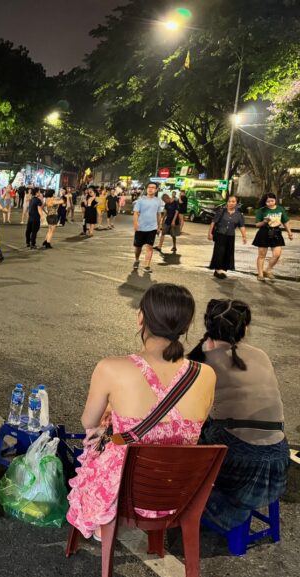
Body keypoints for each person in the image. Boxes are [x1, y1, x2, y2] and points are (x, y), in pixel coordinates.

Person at [67, 283, 216, 539]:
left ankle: (104, 522)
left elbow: (88, 422)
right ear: (186, 325)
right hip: (177, 490)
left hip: (125, 493)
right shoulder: (206, 374)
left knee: (94, 446)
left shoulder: (111, 368)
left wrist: (114, 414)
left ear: (141, 319)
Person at [187, 299, 289, 531]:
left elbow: (192, 413)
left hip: (239, 466)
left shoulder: (204, 361)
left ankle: (200, 503)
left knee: (195, 434)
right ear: (245, 328)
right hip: (278, 463)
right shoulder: (260, 354)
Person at [252, 192, 294, 281]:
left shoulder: (280, 209)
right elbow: (257, 225)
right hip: (264, 232)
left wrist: (289, 232)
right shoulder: (261, 210)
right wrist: (264, 222)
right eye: (268, 201)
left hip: (276, 232)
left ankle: (268, 270)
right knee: (262, 255)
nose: (270, 203)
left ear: (275, 200)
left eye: (272, 201)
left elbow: (285, 221)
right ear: (265, 202)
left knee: (277, 254)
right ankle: (260, 274)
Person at [208, 196, 247, 279]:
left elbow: (242, 226)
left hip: (230, 236)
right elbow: (213, 222)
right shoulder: (221, 212)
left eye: (233, 201)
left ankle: (219, 270)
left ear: (237, 203)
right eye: (229, 201)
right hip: (220, 235)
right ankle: (218, 270)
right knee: (219, 252)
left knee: (227, 253)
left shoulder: (239, 215)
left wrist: (244, 236)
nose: (231, 203)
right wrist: (210, 233)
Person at [132, 182, 163, 273]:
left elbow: (158, 214)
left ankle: (147, 265)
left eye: (153, 187)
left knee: (150, 247)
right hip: (140, 228)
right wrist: (135, 224)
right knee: (138, 247)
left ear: (156, 190)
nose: (150, 189)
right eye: (149, 187)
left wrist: (158, 226)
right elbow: (136, 213)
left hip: (152, 228)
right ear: (147, 188)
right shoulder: (141, 200)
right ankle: (137, 259)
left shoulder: (158, 201)